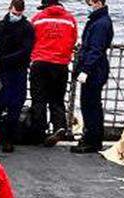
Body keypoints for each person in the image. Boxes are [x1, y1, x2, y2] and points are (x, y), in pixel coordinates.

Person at [0, 0, 35, 152]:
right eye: (15, 13)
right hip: (3, 70)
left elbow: (26, 50)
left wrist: (1, 60)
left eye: (19, 14)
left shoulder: (27, 27)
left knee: (15, 104)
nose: (17, 16)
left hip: (17, 69)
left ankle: (9, 139)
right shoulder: (1, 25)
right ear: (10, 9)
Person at [29, 0, 78, 146]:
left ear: (46, 5)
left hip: (40, 62)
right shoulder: (70, 19)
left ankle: (39, 131)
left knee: (39, 98)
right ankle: (59, 126)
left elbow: (30, 39)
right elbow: (73, 40)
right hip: (61, 64)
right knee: (57, 99)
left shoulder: (38, 18)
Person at [72, 0, 113, 153]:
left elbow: (95, 49)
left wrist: (85, 70)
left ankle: (92, 140)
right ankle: (91, 138)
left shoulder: (100, 24)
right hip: (97, 69)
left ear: (97, 2)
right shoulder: (101, 21)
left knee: (90, 105)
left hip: (94, 70)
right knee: (91, 104)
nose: (89, 6)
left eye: (90, 3)